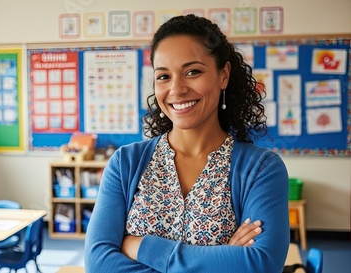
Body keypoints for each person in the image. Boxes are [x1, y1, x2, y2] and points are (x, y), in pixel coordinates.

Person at [84, 14, 289, 273]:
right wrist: (222, 259)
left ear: (223, 75)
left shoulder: (261, 169)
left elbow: (261, 265)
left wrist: (140, 247)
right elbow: (98, 264)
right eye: (163, 76)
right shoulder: (125, 163)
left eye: (193, 72)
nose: (177, 89)